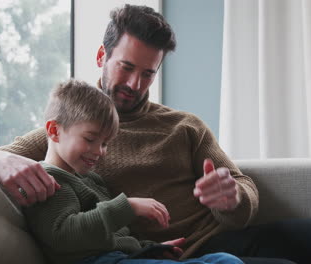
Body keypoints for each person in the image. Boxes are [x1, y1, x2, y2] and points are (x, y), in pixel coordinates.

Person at [0, 4, 311, 264]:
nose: (135, 84)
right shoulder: (76, 128)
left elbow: (243, 188)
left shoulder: (184, 126)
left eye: (148, 73)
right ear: (102, 56)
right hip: (170, 255)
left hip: (231, 234)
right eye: (126, 67)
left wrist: (232, 196)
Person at [24, 78, 243, 264]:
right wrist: (127, 206)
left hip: (124, 258)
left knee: (225, 260)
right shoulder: (46, 179)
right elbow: (64, 235)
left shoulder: (90, 180)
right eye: (90, 139)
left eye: (105, 143)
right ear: (54, 131)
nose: (99, 151)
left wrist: (150, 249)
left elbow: (117, 237)